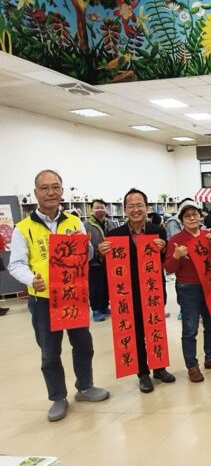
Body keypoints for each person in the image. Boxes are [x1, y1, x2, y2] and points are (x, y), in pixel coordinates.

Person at [8, 170, 110, 421]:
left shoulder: (74, 221)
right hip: (43, 299)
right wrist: (31, 279)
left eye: (55, 187)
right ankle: (57, 397)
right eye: (44, 188)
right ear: (36, 193)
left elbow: (87, 255)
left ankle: (85, 386)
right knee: (49, 351)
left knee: (83, 344)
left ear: (62, 191)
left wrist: (83, 245)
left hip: (73, 294)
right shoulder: (23, 228)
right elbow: (15, 264)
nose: (50, 192)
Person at [100, 188, 176, 393]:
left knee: (155, 327)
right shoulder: (114, 235)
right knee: (137, 332)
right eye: (131, 206)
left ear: (147, 207)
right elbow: (109, 266)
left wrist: (163, 249)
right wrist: (102, 253)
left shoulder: (158, 231)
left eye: (139, 205)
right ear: (125, 210)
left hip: (153, 289)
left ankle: (159, 368)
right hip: (127, 292)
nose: (136, 210)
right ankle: (142, 373)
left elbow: (165, 261)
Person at [164, 199, 211, 383]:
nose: (192, 218)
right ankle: (192, 366)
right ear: (181, 220)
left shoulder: (209, 235)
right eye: (187, 216)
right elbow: (169, 268)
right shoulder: (176, 240)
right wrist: (176, 256)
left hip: (210, 284)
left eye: (195, 214)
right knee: (190, 328)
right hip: (188, 287)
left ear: (201, 217)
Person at [85, 199, 116, 322]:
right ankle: (96, 309)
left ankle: (104, 306)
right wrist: (97, 253)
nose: (99, 210)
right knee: (95, 286)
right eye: (96, 208)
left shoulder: (111, 223)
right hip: (94, 261)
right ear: (92, 210)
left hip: (110, 259)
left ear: (106, 209)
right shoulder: (86, 225)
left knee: (107, 285)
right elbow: (85, 244)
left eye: (102, 207)